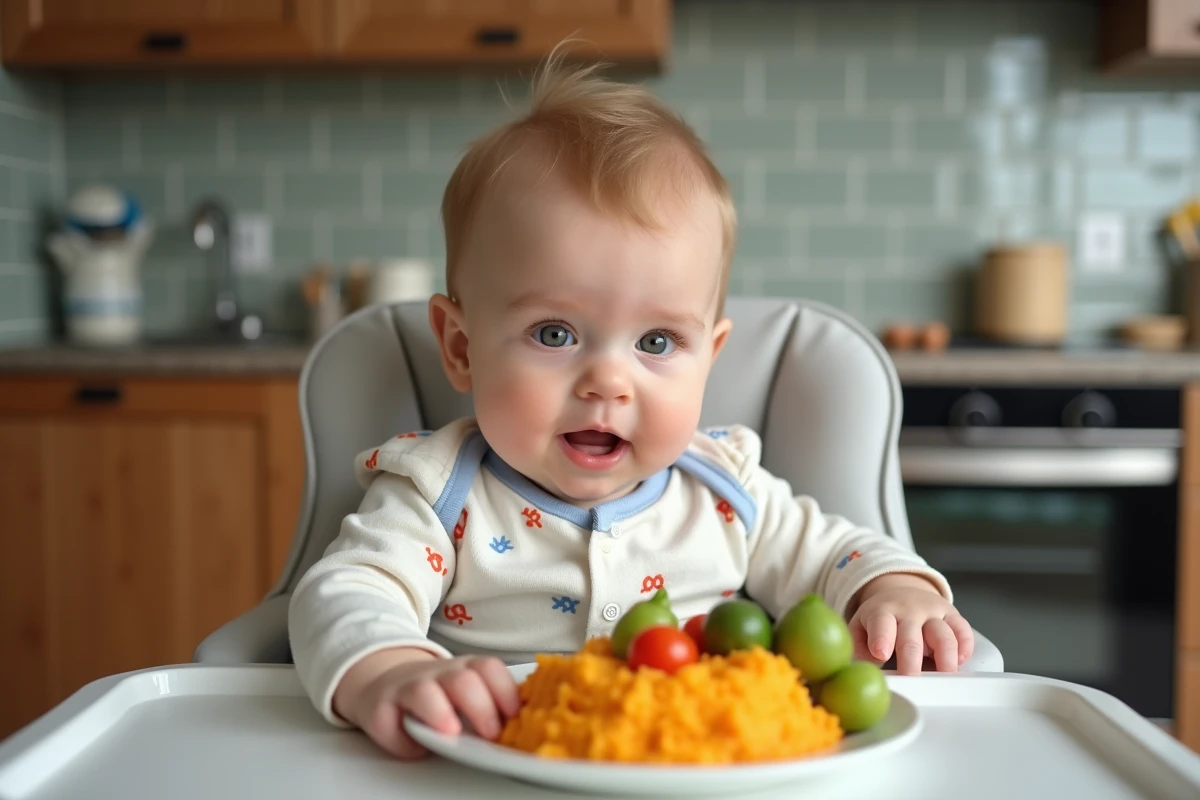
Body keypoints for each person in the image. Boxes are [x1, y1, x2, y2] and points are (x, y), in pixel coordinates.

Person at [287, 52, 974, 761]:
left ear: (709, 357)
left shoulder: (724, 490)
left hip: (700, 766)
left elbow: (836, 552)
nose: (608, 383)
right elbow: (347, 592)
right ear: (461, 347)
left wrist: (893, 590)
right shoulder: (439, 495)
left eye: (656, 341)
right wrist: (392, 672)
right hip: (491, 768)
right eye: (554, 334)